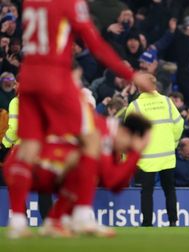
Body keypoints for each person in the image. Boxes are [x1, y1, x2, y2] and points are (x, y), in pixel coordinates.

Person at [6, 0, 150, 238]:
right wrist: (130, 74)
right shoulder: (70, 3)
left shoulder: (31, 3)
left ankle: (18, 220)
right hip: (55, 79)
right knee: (92, 138)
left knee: (27, 148)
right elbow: (95, 44)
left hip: (29, 77)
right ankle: (83, 215)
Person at [3, 112, 152, 238]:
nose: (127, 151)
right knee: (87, 167)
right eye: (128, 147)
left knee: (85, 170)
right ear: (125, 133)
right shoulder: (102, 132)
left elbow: (117, 186)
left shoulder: (108, 136)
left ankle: (55, 221)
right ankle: (21, 220)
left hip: (43, 167)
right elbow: (111, 180)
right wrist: (136, 154)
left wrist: (135, 154)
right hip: (24, 165)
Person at [125, 75, 184, 227]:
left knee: (147, 191)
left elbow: (128, 135)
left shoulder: (135, 106)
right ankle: (173, 221)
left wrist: (127, 158)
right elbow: (179, 124)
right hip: (167, 155)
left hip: (146, 158)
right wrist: (174, 143)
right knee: (169, 189)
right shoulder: (167, 102)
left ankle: (147, 223)